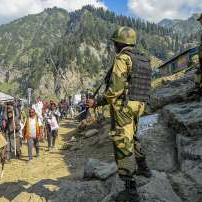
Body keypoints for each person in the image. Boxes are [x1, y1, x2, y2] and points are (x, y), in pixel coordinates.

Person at [87, 26, 152, 201]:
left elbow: (115, 89)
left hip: (124, 107)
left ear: (118, 43)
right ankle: (144, 168)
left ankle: (131, 190)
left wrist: (98, 101)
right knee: (133, 137)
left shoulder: (123, 58)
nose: (114, 45)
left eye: (115, 42)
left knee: (123, 143)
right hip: (140, 105)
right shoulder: (143, 58)